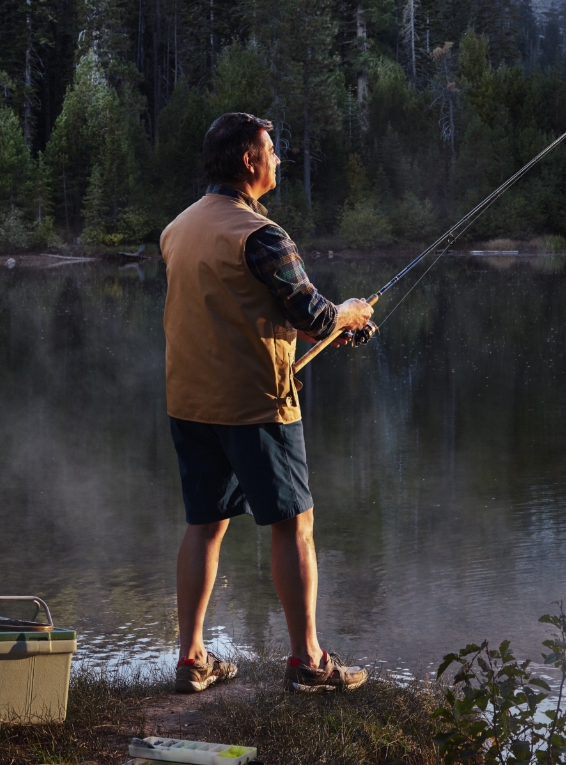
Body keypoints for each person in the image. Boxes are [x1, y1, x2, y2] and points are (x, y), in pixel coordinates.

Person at [159, 112, 374, 694]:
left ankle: (191, 659)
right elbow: (317, 316)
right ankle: (308, 662)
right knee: (295, 526)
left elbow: (235, 304)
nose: (278, 159)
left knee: (204, 526)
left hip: (189, 401)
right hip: (257, 405)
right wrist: (350, 314)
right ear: (250, 162)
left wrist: (310, 329)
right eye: (272, 151)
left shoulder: (178, 229)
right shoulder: (262, 234)